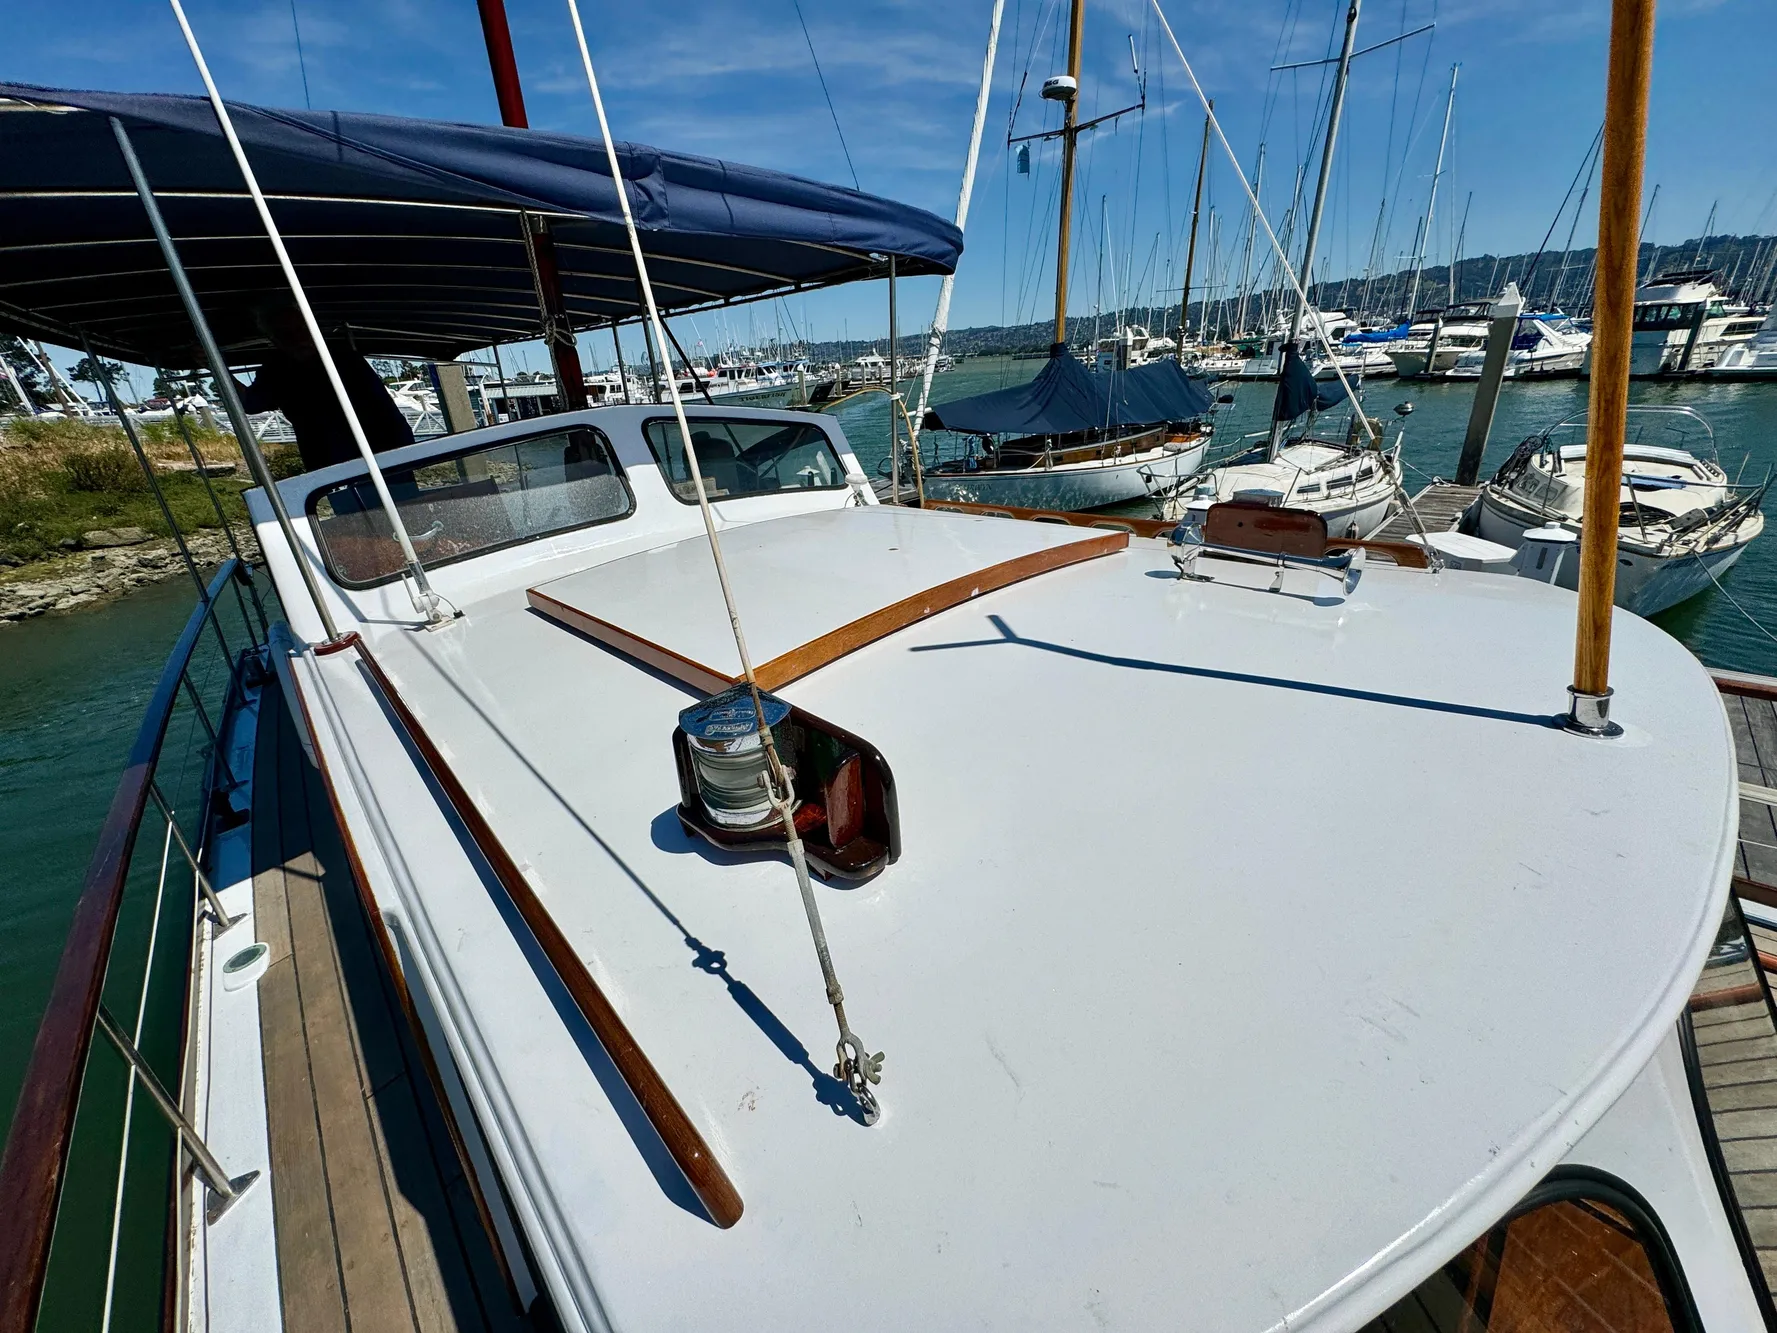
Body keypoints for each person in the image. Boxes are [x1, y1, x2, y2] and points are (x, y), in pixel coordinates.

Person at [235, 303, 413, 472]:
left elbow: (382, 406)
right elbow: (251, 403)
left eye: (301, 330)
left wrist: (405, 451)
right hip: (330, 464)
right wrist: (213, 365)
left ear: (313, 329)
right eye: (285, 334)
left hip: (384, 452)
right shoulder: (276, 372)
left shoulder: (345, 359)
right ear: (275, 340)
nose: (297, 339)